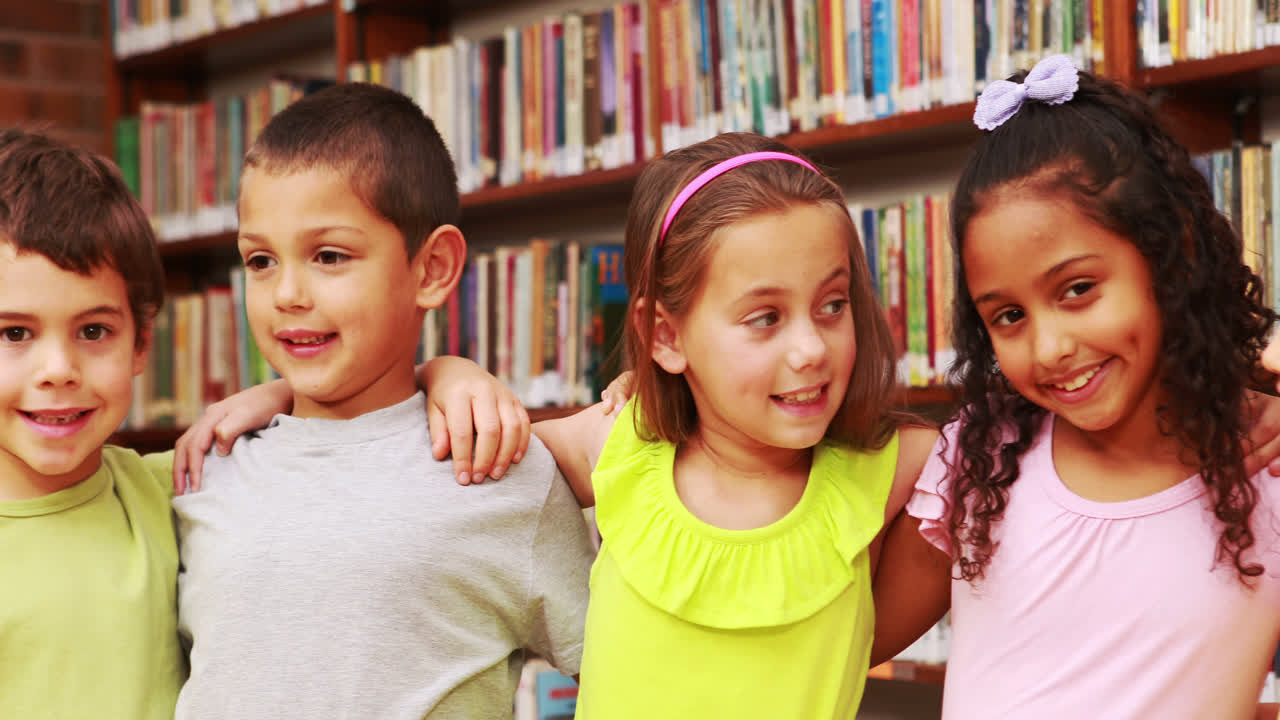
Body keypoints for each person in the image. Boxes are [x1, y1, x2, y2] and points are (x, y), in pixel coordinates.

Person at [870, 55, 1280, 719]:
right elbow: (836, 641)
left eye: (1078, 289)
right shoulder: (978, 464)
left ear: (1170, 251)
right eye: (1008, 316)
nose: (1050, 347)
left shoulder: (1266, 469)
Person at [168, 82, 595, 719]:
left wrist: (446, 372)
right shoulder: (204, 467)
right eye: (259, 260)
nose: (287, 292)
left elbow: (624, 673)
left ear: (432, 270)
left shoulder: (504, 474)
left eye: (329, 255)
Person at [521, 132, 936, 718]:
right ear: (665, 335)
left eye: (833, 305)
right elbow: (459, 458)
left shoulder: (910, 472)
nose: (811, 349)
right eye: (765, 318)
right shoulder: (616, 439)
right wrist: (447, 376)